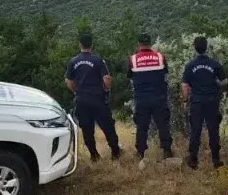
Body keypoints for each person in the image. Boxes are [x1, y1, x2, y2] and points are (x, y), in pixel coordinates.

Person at [65, 32, 122, 161]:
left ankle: (94, 155)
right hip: (97, 99)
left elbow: (68, 81)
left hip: (81, 100)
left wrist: (76, 91)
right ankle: (115, 153)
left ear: (80, 45)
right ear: (92, 45)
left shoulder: (73, 61)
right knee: (108, 126)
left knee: (87, 129)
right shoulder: (98, 60)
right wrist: (107, 89)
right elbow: (107, 78)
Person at [126, 33, 174, 162]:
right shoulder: (160, 57)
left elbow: (130, 76)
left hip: (142, 99)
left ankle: (140, 152)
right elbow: (165, 73)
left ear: (139, 44)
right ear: (150, 43)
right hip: (159, 97)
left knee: (142, 126)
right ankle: (167, 150)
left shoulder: (133, 59)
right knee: (163, 125)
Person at [181, 35, 226, 169]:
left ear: (195, 48)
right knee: (213, 130)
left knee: (195, 130)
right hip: (212, 101)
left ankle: (193, 160)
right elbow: (224, 81)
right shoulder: (215, 64)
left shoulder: (190, 65)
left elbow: (184, 86)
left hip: (197, 102)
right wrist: (215, 84)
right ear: (206, 48)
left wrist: (185, 100)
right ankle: (216, 160)